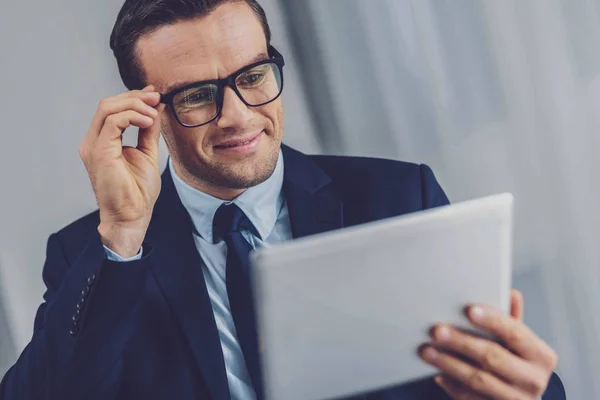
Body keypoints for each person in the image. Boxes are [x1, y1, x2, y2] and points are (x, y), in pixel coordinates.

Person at [0, 0, 565, 399]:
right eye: (198, 96)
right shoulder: (93, 254)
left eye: (253, 75)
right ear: (149, 114)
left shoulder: (399, 196)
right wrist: (123, 233)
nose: (239, 115)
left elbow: (497, 373)